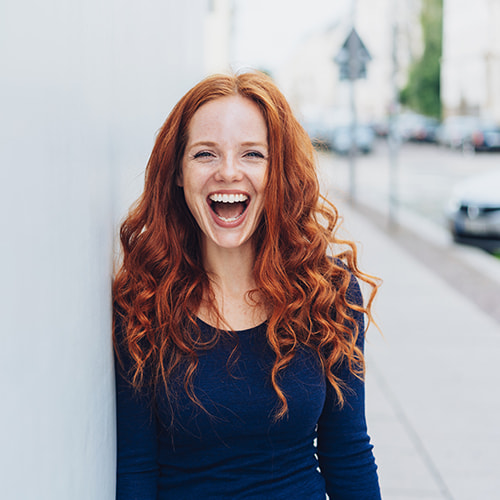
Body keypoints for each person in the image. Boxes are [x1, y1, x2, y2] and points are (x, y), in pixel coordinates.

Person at [113, 71, 381, 499]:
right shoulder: (143, 301)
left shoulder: (328, 293)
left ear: (278, 172)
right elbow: (135, 467)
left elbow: (347, 452)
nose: (228, 172)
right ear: (177, 172)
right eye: (205, 154)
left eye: (252, 155)